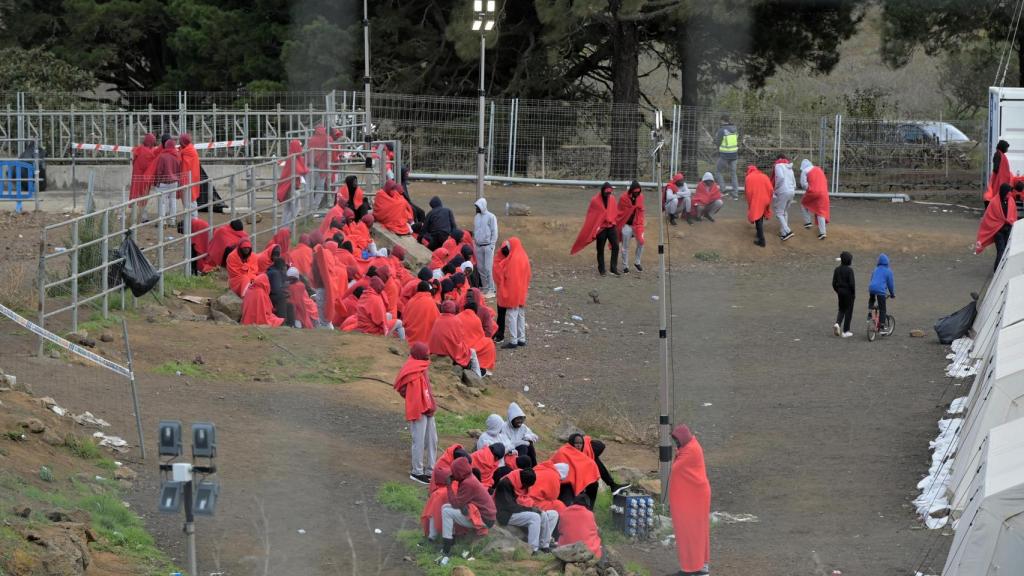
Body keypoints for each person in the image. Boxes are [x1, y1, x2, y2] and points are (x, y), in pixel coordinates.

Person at [435, 457, 497, 566]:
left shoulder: (468, 483)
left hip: (484, 520)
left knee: (447, 512)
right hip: (478, 512)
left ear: (459, 471)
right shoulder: (468, 477)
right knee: (445, 507)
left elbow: (455, 503)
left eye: (454, 471)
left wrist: (449, 485)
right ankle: (451, 539)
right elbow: (459, 502)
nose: (452, 474)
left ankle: (447, 547)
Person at [669, 424, 711, 576]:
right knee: (696, 531)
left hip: (694, 497)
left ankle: (692, 568)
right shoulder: (691, 446)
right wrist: (679, 453)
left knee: (690, 531)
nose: (677, 444)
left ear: (683, 439)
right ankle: (700, 566)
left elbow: (675, 469)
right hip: (696, 495)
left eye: (677, 441)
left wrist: (677, 455)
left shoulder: (690, 451)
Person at [394, 342, 437, 484]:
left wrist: (431, 403)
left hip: (428, 407)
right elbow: (403, 389)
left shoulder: (421, 365)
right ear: (419, 355)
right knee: (418, 441)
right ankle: (417, 472)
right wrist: (416, 398)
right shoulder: (411, 367)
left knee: (432, 439)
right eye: (426, 355)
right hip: (418, 409)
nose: (428, 357)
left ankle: (431, 470)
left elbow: (427, 387)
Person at [493, 468, 558, 555]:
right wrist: (531, 510)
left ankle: (544, 546)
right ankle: (532, 549)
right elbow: (510, 507)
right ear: (523, 483)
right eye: (526, 486)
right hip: (505, 514)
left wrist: (535, 509)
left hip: (517, 511)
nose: (527, 488)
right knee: (535, 517)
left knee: (546, 514)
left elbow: (525, 501)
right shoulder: (505, 484)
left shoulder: (519, 481)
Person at [571, 183, 620, 276]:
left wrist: (612, 221)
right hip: (601, 228)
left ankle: (613, 268)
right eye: (606, 192)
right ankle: (601, 270)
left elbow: (614, 212)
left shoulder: (612, 199)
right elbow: (591, 215)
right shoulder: (595, 200)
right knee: (600, 249)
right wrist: (596, 226)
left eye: (609, 193)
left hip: (611, 226)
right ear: (602, 191)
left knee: (616, 246)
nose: (608, 194)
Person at [494, 237, 531, 348]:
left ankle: (513, 341)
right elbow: (528, 274)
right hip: (522, 290)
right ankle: (522, 339)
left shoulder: (512, 259)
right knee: (521, 314)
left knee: (512, 315)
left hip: (513, 291)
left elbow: (504, 273)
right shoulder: (524, 256)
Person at [429, 300, 482, 377]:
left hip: (434, 349)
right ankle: (478, 376)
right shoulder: (456, 320)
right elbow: (460, 339)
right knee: (472, 352)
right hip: (449, 351)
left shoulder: (437, 319)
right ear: (453, 309)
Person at [975, 183, 1019, 270]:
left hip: (1008, 230)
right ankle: (997, 271)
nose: (1009, 194)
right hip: (998, 231)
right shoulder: (994, 202)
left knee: (1007, 251)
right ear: (1003, 192)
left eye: (1009, 193)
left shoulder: (1011, 201)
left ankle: (1004, 270)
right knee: (1001, 251)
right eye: (1008, 193)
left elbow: (1013, 215)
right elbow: (988, 217)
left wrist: (1011, 224)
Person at [557, 494, 602, 559]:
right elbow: (594, 530)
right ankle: (599, 564)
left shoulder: (564, 512)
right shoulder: (590, 514)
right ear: (587, 505)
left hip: (565, 549)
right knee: (599, 541)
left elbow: (560, 529)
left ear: (574, 502)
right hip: (585, 551)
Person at [458, 301, 496, 376]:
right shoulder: (476, 318)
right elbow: (481, 336)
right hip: (469, 349)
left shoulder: (457, 316)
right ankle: (482, 366)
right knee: (489, 342)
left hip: (458, 348)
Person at [277, 139, 309, 228]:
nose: (301, 148)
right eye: (300, 146)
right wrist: (306, 169)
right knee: (294, 209)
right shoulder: (294, 158)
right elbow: (301, 170)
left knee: (288, 209)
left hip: (290, 187)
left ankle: (284, 227)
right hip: (292, 187)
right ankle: (288, 228)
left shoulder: (293, 157)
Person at [616, 180, 645, 273]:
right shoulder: (623, 198)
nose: (637, 194)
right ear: (631, 191)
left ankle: (637, 262)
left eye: (639, 192)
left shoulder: (641, 197)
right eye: (636, 192)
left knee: (641, 242)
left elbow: (641, 210)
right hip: (626, 224)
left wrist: (640, 220)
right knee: (625, 246)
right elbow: (619, 211)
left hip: (637, 224)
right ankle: (625, 266)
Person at [129, 133, 158, 224]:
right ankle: (143, 217)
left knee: (134, 194)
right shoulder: (152, 152)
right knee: (144, 197)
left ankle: (133, 216)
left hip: (136, 177)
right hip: (146, 178)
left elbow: (133, 159)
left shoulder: (139, 149)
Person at [473, 198, 499, 296]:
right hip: (479, 246)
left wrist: (492, 244)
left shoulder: (491, 217)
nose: (476, 209)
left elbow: (494, 231)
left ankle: (491, 289)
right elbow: (476, 230)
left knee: (488, 268)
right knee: (480, 268)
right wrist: (475, 242)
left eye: (478, 207)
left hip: (488, 246)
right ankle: (485, 287)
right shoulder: (476, 217)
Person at [799, 159, 831, 240]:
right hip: (824, 192)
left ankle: (808, 222)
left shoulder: (805, 171)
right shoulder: (819, 169)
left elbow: (803, 184)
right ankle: (822, 233)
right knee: (821, 212)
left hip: (813, 191)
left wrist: (808, 188)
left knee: (803, 203)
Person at [153, 138, 181, 226]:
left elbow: (159, 171)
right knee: (173, 201)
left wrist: (156, 181)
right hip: (174, 182)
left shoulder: (162, 156)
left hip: (163, 182)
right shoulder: (177, 155)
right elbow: (179, 169)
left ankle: (162, 221)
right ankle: (172, 221)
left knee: (162, 202)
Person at [744, 165, 773, 247]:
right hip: (766, 198)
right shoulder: (764, 176)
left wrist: (751, 203)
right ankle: (758, 234)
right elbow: (771, 189)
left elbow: (748, 193)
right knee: (760, 216)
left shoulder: (748, 178)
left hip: (757, 200)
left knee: (757, 218)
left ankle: (762, 240)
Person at [771, 154, 797, 241]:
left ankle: (788, 231)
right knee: (784, 211)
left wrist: (776, 188)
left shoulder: (778, 166)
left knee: (779, 212)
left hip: (783, 191)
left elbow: (780, 178)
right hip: (792, 191)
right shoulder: (789, 167)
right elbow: (794, 181)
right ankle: (783, 233)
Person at [715, 113, 740, 199]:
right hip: (734, 155)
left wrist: (718, 148)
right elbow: (736, 139)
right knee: (733, 174)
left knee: (718, 171)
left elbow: (718, 142)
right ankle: (735, 194)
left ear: (722, 120)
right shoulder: (735, 129)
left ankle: (723, 190)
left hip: (725, 155)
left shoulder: (722, 130)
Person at [832, 251, 856, 338]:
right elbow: (852, 284)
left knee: (841, 309)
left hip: (840, 292)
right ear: (849, 261)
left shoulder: (837, 270)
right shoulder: (850, 270)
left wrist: (837, 290)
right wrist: (853, 294)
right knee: (848, 311)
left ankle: (837, 323)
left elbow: (833, 283)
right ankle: (846, 331)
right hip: (848, 293)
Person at [867, 254, 895, 327]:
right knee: (882, 309)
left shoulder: (875, 269)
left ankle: (870, 312)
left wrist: (872, 288)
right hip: (880, 291)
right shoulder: (888, 271)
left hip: (872, 288)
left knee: (872, 299)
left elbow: (872, 279)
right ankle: (882, 325)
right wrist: (892, 294)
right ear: (887, 262)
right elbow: (890, 284)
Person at [266, 257, 295, 327]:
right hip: (269, 297)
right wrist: (286, 294)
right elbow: (276, 290)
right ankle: (282, 323)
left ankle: (290, 325)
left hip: (269, 296)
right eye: (284, 266)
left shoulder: (272, 271)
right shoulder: (275, 273)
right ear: (282, 267)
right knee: (282, 298)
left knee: (290, 305)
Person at [178, 133, 201, 220]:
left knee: (191, 200)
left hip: (190, 179)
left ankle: (194, 219)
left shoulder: (188, 151)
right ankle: (190, 219)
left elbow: (180, 159)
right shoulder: (188, 149)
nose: (179, 143)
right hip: (189, 178)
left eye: (180, 141)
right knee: (187, 200)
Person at [987, 140, 1012, 205]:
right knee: (997, 192)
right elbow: (996, 168)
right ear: (1002, 147)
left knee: (1000, 193)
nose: (1007, 149)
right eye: (1006, 148)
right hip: (999, 179)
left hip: (1001, 179)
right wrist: (1000, 175)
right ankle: (997, 206)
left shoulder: (1000, 154)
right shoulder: (998, 154)